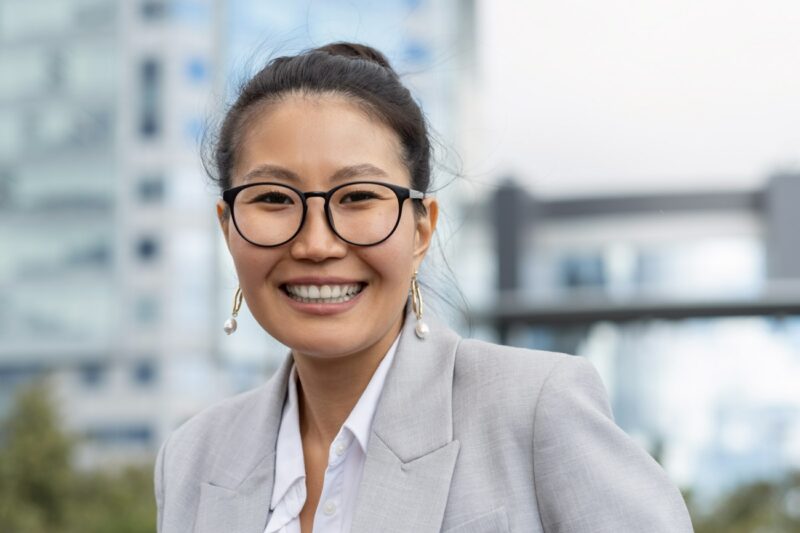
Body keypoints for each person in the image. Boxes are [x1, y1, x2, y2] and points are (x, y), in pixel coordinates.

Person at [154, 42, 694, 533]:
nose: (316, 243)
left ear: (420, 229)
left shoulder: (536, 409)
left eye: (358, 197)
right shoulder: (191, 457)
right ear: (228, 228)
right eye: (273, 199)